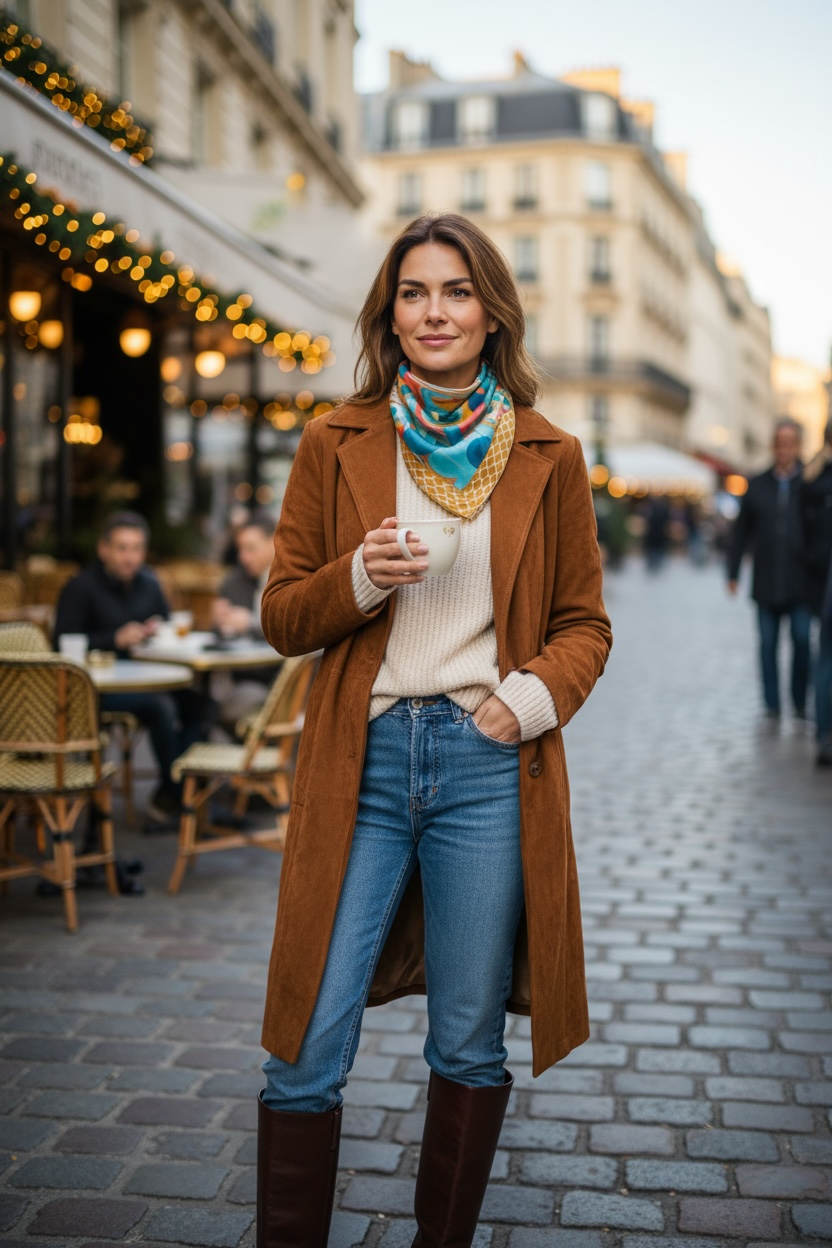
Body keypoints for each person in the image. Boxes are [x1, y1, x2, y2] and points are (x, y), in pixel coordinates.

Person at [256, 214, 612, 1246]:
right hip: (359, 766)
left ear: (491, 312)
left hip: (485, 766)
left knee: (466, 1044)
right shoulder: (336, 440)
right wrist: (361, 575)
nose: (434, 311)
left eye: (455, 291)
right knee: (306, 1044)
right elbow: (283, 615)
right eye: (413, 292)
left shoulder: (550, 453)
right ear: (391, 312)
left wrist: (529, 696)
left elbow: (584, 621)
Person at [54, 511, 211, 823]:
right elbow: (62, 641)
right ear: (104, 549)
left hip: (150, 678)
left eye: (136, 549)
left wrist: (154, 631)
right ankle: (181, 797)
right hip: (98, 689)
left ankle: (171, 791)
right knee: (162, 708)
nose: (130, 557)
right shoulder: (80, 586)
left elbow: (165, 627)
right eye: (122, 548)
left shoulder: (150, 584)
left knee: (203, 706)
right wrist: (115, 638)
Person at [727, 420, 811, 721]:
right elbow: (741, 533)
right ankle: (772, 704)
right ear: (773, 446)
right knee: (767, 645)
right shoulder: (758, 484)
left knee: (802, 639)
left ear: (798, 446)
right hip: (765, 581)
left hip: (801, 581)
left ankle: (800, 700)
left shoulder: (810, 483)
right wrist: (733, 572)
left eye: (790, 443)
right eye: (780, 442)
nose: (784, 449)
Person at [211, 512, 277, 733]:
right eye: (240, 549)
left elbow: (296, 629)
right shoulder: (234, 581)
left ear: (274, 543)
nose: (243, 557)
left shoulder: (291, 580)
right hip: (245, 675)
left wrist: (248, 623)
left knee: (221, 708)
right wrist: (220, 622)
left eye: (251, 548)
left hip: (282, 679)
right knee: (204, 707)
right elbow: (218, 636)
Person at [802, 419, 832, 765]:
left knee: (824, 662)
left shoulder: (816, 480)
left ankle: (823, 736)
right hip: (824, 588)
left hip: (824, 588)